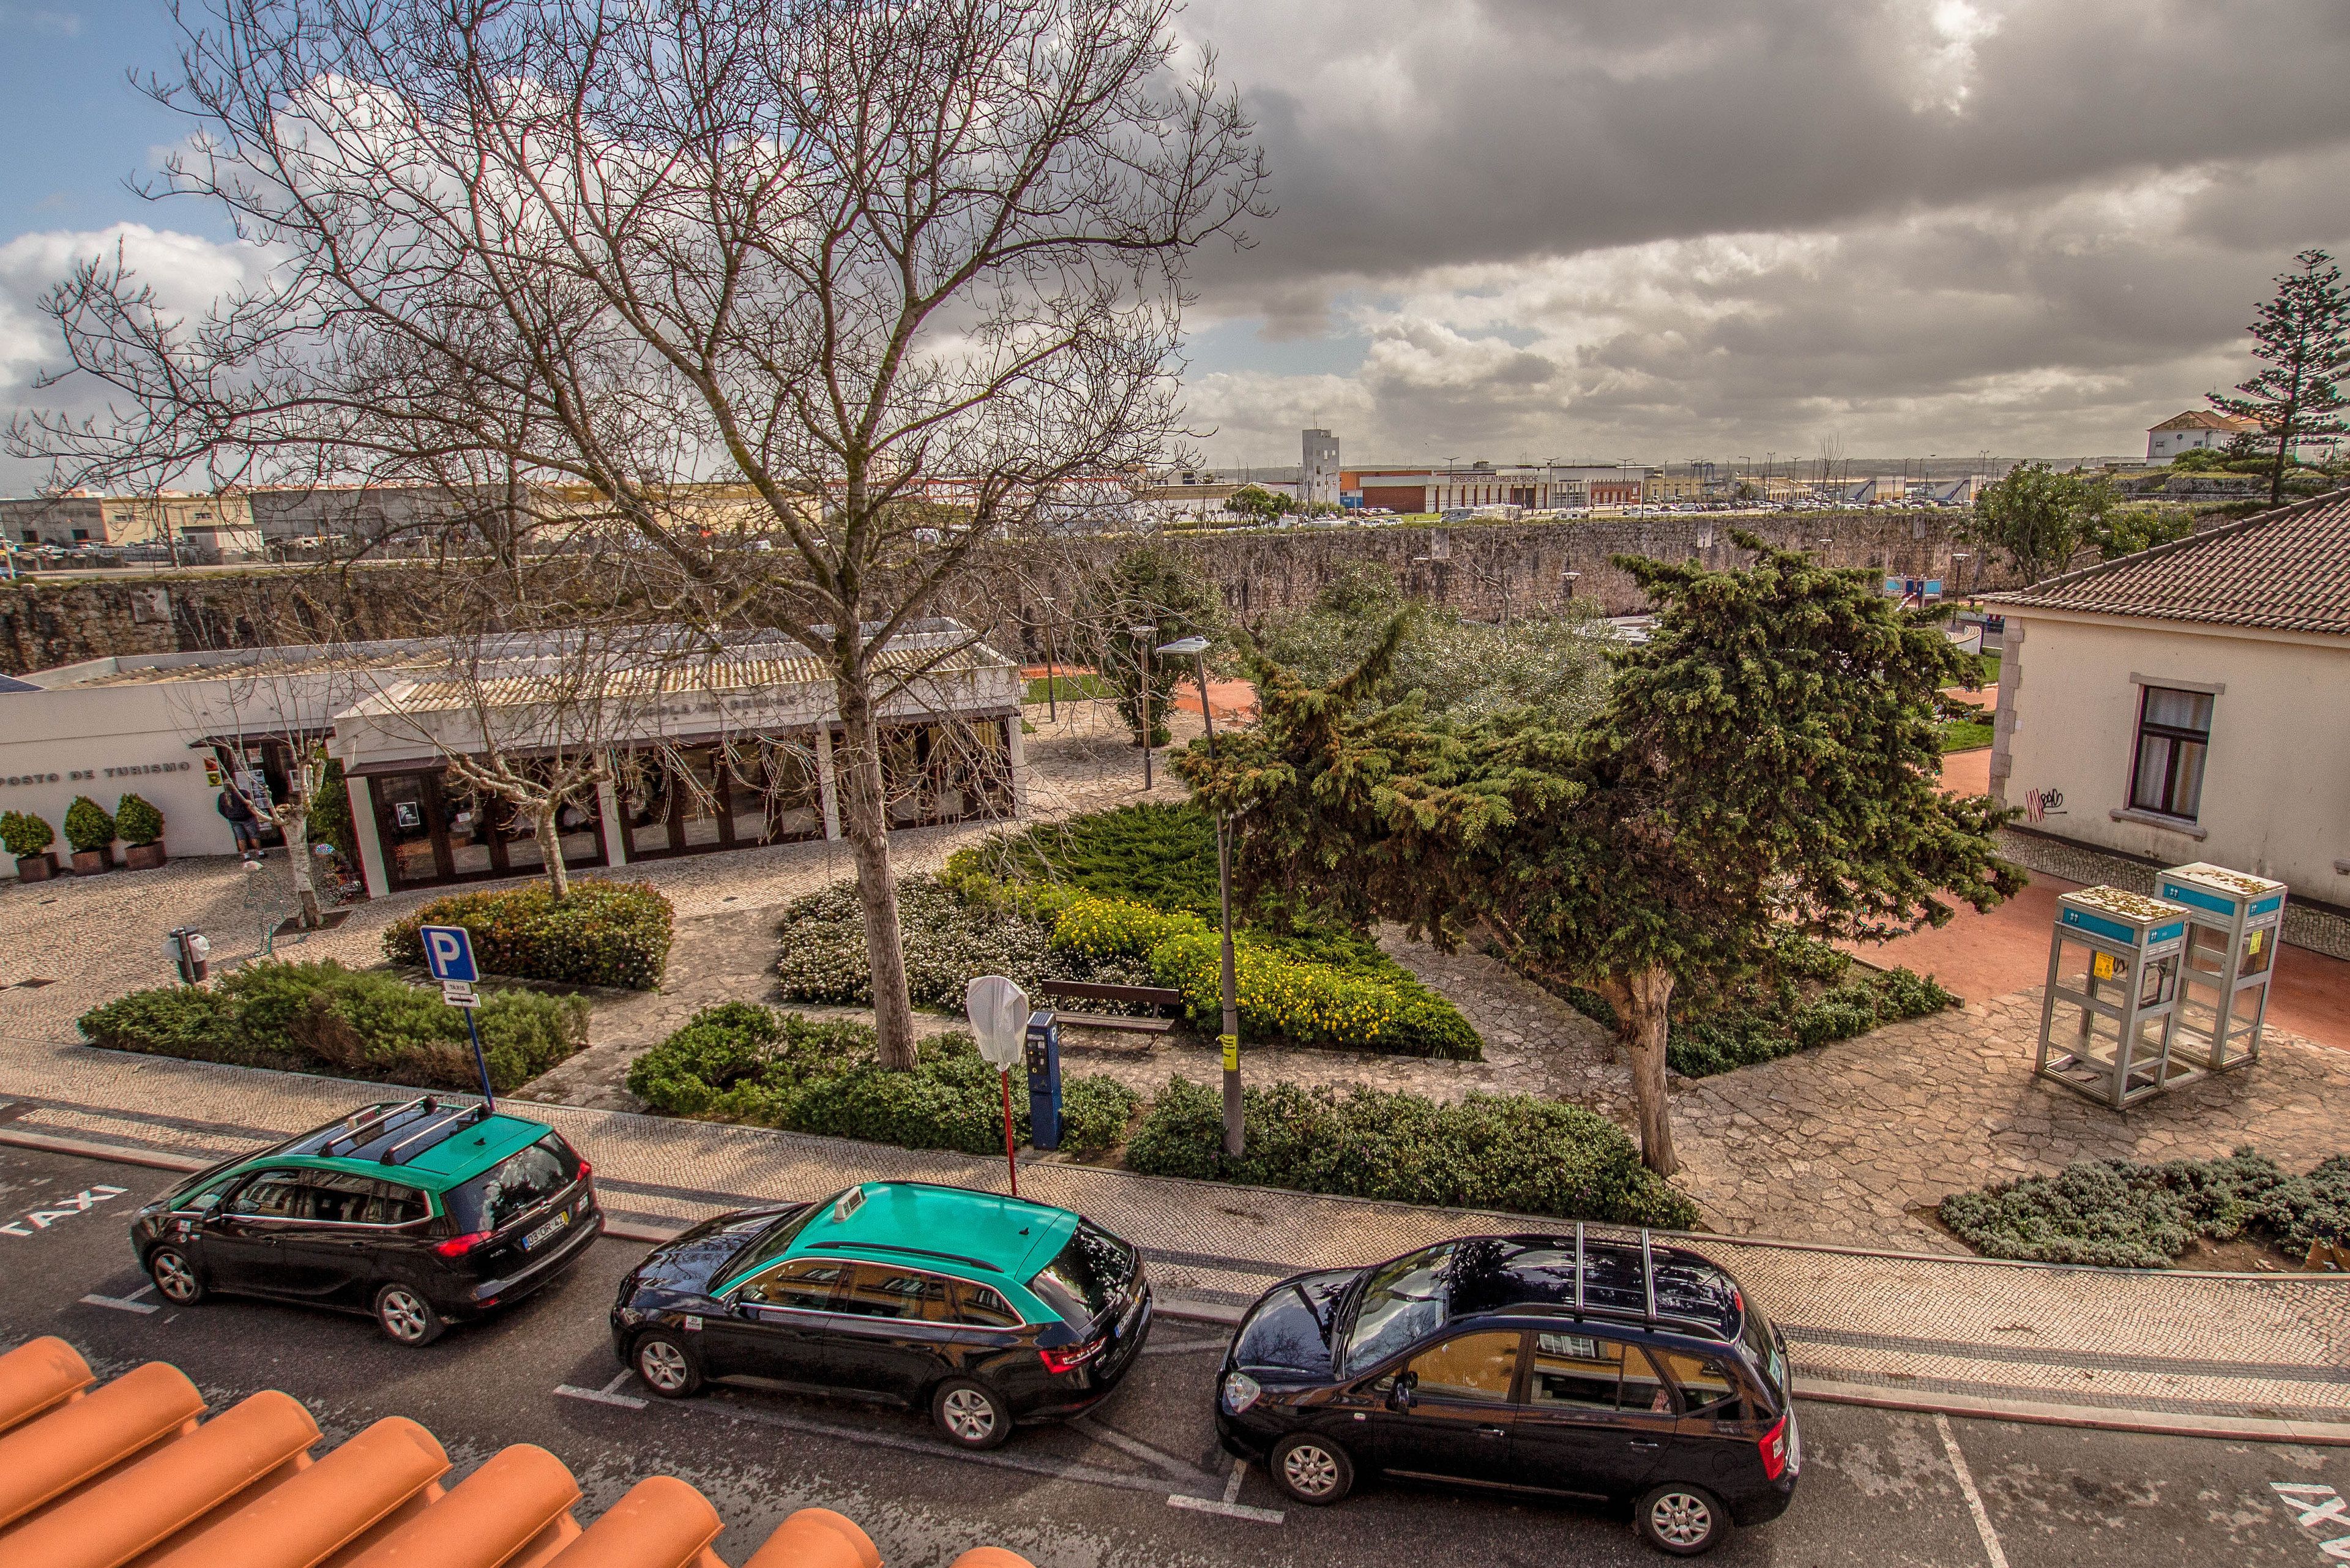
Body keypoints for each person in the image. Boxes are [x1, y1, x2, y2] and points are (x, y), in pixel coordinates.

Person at [217, 778, 266, 861]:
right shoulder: (243, 793)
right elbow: (252, 805)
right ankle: (260, 852)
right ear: (235, 784)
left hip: (234, 819)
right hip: (247, 818)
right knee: (254, 835)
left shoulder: (222, 796)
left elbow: (221, 810)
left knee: (240, 838)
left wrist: (229, 816)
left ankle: (246, 855)